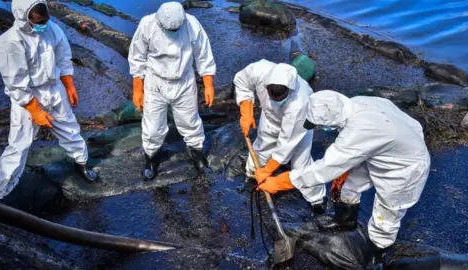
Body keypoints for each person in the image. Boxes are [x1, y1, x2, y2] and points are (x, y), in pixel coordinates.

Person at [258, 90, 430, 266]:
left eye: (321, 125)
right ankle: (345, 221)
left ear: (331, 119)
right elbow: (414, 125)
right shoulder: (358, 102)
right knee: (347, 185)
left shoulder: (359, 131)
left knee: (386, 214)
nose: (321, 129)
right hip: (381, 149)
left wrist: (281, 181)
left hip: (404, 167)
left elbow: (323, 169)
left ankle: (377, 254)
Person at [0, 0, 99, 201]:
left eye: (45, 19)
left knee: (70, 128)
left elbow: (63, 58)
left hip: (53, 88)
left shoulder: (52, 29)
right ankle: (1, 192)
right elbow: (16, 83)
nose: (43, 24)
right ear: (24, 18)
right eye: (38, 21)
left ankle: (82, 163)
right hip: (27, 98)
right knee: (19, 145)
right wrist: (35, 111)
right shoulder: (9, 43)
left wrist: (69, 85)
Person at [128, 2, 216, 180]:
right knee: (153, 127)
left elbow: (203, 54)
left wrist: (208, 84)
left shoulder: (192, 24)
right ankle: (151, 159)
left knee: (190, 122)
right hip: (156, 82)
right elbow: (137, 57)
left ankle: (197, 156)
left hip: (184, 80)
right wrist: (138, 89)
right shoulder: (147, 24)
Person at [234, 59, 326, 212]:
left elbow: (286, 144)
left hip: (300, 127)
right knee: (260, 150)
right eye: (271, 94)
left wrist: (268, 170)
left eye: (280, 97)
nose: (275, 99)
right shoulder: (260, 70)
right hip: (270, 118)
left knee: (300, 163)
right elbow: (242, 80)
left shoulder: (300, 102)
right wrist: (246, 110)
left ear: (289, 90)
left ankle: (316, 199)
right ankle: (251, 177)